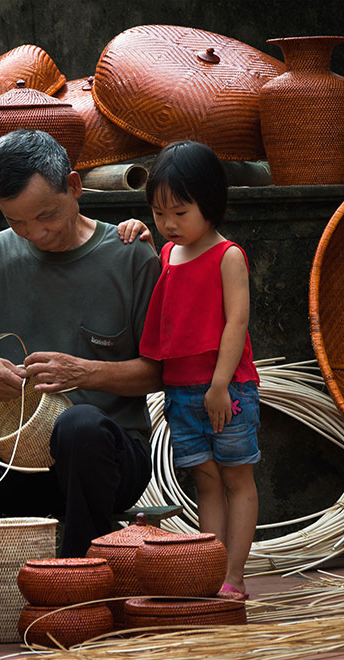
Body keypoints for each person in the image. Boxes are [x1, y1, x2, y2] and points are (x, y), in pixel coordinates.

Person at [0, 129, 162, 557]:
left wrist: (83, 373)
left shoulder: (131, 254)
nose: (36, 233)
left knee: (79, 426)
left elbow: (161, 373)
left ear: (74, 187)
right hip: (8, 465)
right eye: (17, 222)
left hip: (103, 462)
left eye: (47, 215)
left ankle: (77, 580)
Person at [134, 140, 260, 601]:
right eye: (158, 212)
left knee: (236, 478)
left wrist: (220, 385)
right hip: (181, 392)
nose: (168, 223)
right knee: (206, 483)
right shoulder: (168, 253)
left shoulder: (227, 255)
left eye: (179, 212)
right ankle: (211, 574)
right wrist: (143, 237)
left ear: (210, 205)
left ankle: (235, 575)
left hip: (227, 390)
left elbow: (237, 321)